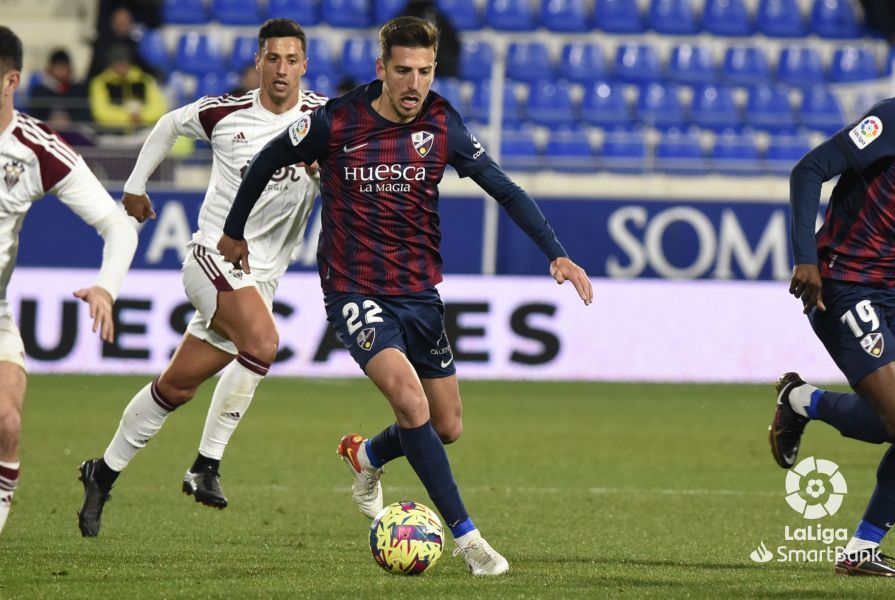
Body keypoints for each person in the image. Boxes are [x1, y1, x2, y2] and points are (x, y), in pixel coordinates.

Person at [218, 16, 593, 576]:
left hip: (418, 291)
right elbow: (271, 157)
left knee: (446, 426)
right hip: (353, 288)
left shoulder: (444, 124)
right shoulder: (337, 121)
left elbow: (504, 188)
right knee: (411, 403)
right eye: (402, 71)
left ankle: (366, 454)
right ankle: (471, 543)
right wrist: (233, 231)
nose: (413, 83)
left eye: (423, 71)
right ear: (381, 70)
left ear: (434, 70)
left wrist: (555, 252)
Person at [76, 18, 326, 537]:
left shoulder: (326, 121)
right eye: (272, 59)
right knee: (263, 341)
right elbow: (168, 124)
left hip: (262, 280)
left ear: (306, 65)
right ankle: (205, 466)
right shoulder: (224, 113)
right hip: (211, 258)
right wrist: (135, 186)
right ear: (258, 62)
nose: (281, 70)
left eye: (291, 60)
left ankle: (101, 472)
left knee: (177, 386)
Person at [0, 26, 138, 536]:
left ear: (12, 80)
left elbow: (118, 228)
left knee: (7, 423)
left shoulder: (37, 150)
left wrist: (106, 286)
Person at [768, 98, 895, 576]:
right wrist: (806, 254)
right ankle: (803, 401)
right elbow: (810, 169)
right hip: (845, 284)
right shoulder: (893, 118)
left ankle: (862, 549)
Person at [88, 43, 167, 134]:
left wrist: (141, 117)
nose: (121, 65)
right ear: (111, 62)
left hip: (143, 131)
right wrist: (129, 118)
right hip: (112, 133)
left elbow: (159, 108)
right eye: (117, 61)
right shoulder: (100, 83)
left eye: (124, 61)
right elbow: (101, 113)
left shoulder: (145, 80)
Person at [26, 49, 90, 130]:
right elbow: (33, 116)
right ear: (50, 68)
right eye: (57, 67)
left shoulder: (78, 89)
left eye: (63, 67)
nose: (60, 71)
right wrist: (50, 120)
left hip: (74, 132)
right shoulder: (39, 91)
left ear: (69, 68)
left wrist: (69, 119)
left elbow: (85, 115)